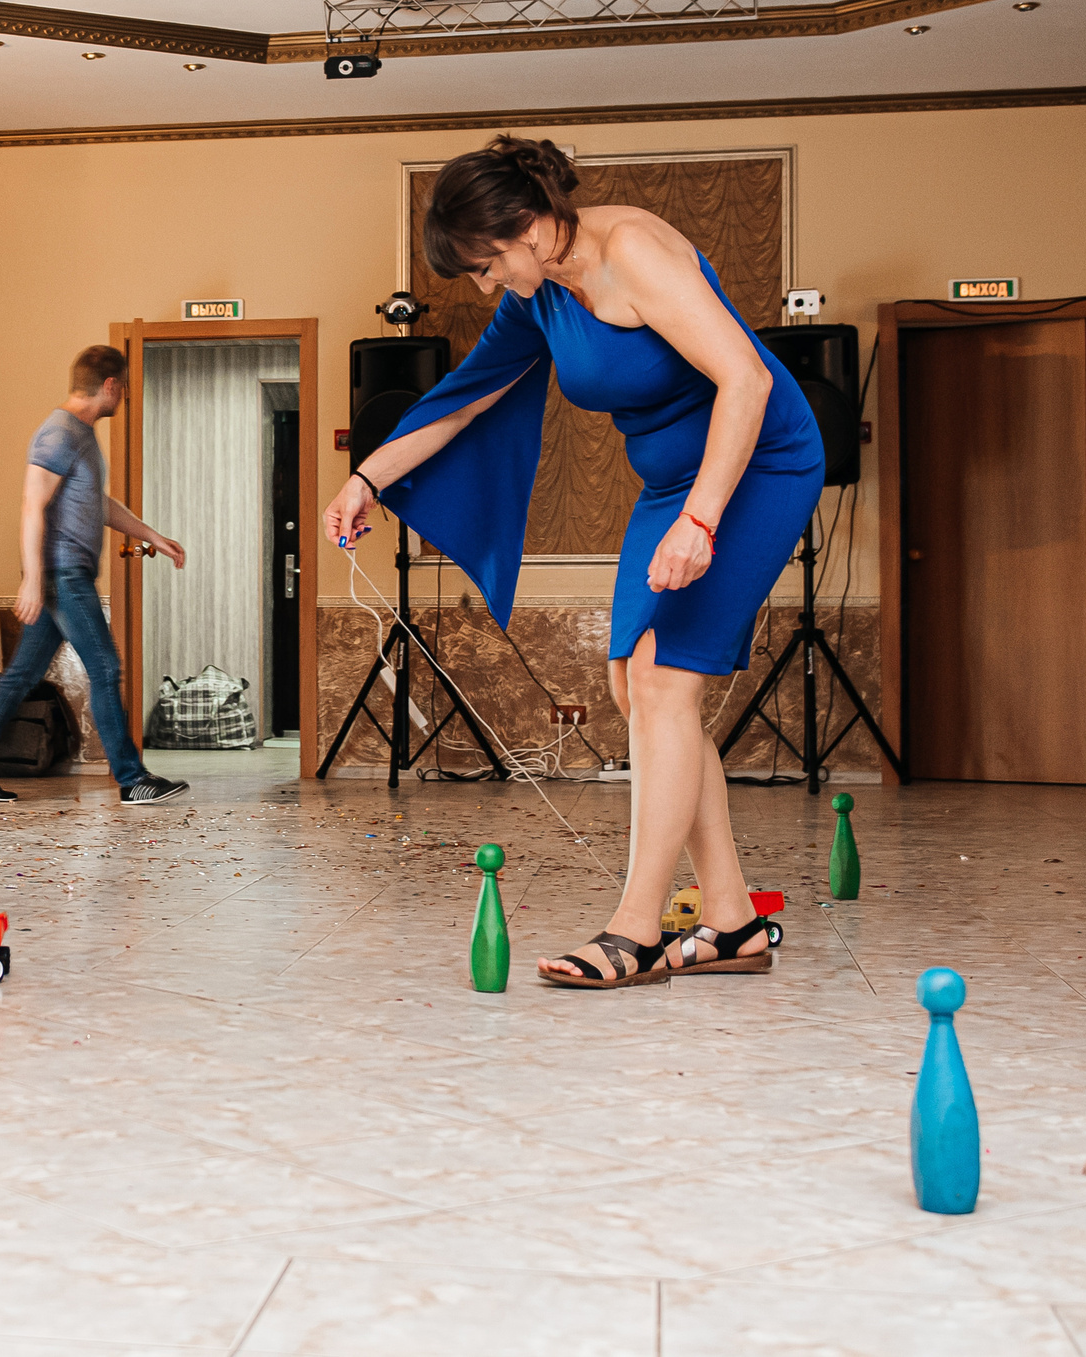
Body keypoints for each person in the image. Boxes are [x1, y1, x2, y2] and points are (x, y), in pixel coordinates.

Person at [321, 137, 823, 990]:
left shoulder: (636, 250)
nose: (484, 283)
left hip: (757, 463)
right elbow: (467, 396)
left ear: (526, 225)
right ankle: (732, 917)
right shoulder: (543, 292)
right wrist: (367, 477)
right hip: (672, 482)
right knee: (638, 685)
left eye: (485, 263)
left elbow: (746, 379)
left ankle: (635, 929)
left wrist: (702, 521)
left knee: (666, 680)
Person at [0, 345, 193, 806]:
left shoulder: (78, 434)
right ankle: (131, 777)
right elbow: (31, 505)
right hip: (62, 575)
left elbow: (96, 503)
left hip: (63, 573)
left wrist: (152, 535)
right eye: (126, 389)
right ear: (111, 386)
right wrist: (32, 579)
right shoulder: (58, 433)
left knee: (22, 674)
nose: (126, 398)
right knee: (104, 667)